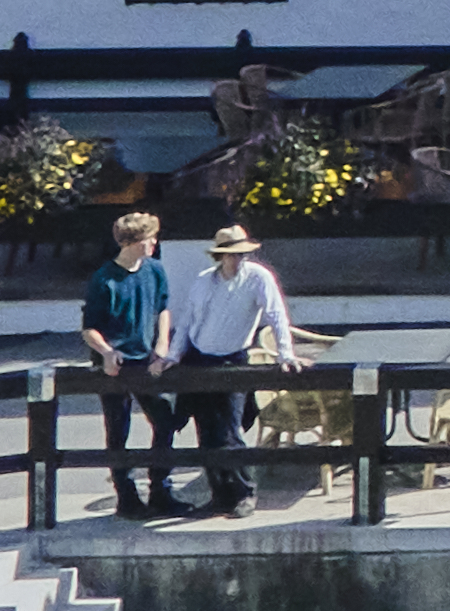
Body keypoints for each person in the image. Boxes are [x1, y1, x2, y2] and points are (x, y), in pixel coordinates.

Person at [166, 221, 308, 517]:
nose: (238, 259)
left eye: (241, 254)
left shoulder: (258, 278)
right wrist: (174, 355)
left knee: (231, 431)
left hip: (233, 359)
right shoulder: (204, 281)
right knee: (206, 432)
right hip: (200, 358)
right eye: (232, 254)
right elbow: (188, 322)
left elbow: (276, 315)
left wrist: (285, 353)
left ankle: (245, 492)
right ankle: (219, 494)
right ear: (220, 256)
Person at [79, 202, 186, 518]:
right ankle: (126, 495)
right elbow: (89, 328)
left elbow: (162, 308)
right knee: (118, 429)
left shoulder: (154, 270)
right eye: (150, 238)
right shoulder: (105, 280)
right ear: (134, 242)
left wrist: (162, 342)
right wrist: (107, 353)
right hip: (116, 362)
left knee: (165, 418)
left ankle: (160, 488)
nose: (154, 244)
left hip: (146, 357)